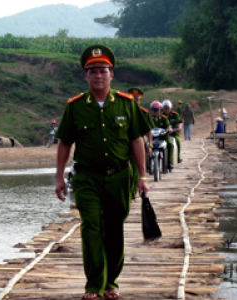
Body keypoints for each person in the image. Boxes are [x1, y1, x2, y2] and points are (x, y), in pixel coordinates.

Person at [54, 44, 151, 300]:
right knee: (91, 226)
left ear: (112, 74)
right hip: (87, 178)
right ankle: (94, 284)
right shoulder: (75, 107)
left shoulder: (126, 105)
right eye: (93, 71)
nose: (98, 76)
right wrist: (59, 178)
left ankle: (111, 282)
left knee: (114, 228)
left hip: (120, 176)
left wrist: (142, 176)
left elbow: (136, 141)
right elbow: (64, 142)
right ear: (86, 76)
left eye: (103, 71)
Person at [127, 87, 153, 200]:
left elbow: (149, 130)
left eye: (136, 99)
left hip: (137, 146)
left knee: (135, 170)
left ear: (140, 100)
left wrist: (150, 145)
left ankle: (132, 194)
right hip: (124, 145)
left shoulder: (144, 113)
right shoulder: (123, 110)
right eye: (132, 98)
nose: (134, 101)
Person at [150, 100, 174, 171]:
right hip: (152, 137)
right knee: (145, 145)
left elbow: (168, 126)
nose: (155, 112)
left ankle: (170, 162)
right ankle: (146, 164)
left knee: (170, 144)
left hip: (163, 136)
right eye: (154, 110)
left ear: (160, 110)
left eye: (157, 110)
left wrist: (169, 129)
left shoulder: (164, 118)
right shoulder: (149, 118)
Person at [162, 99, 182, 163]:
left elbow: (179, 122)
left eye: (168, 108)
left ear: (170, 108)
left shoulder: (175, 114)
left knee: (177, 141)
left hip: (174, 133)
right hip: (163, 133)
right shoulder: (161, 115)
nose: (166, 110)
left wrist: (179, 127)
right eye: (165, 108)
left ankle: (178, 157)